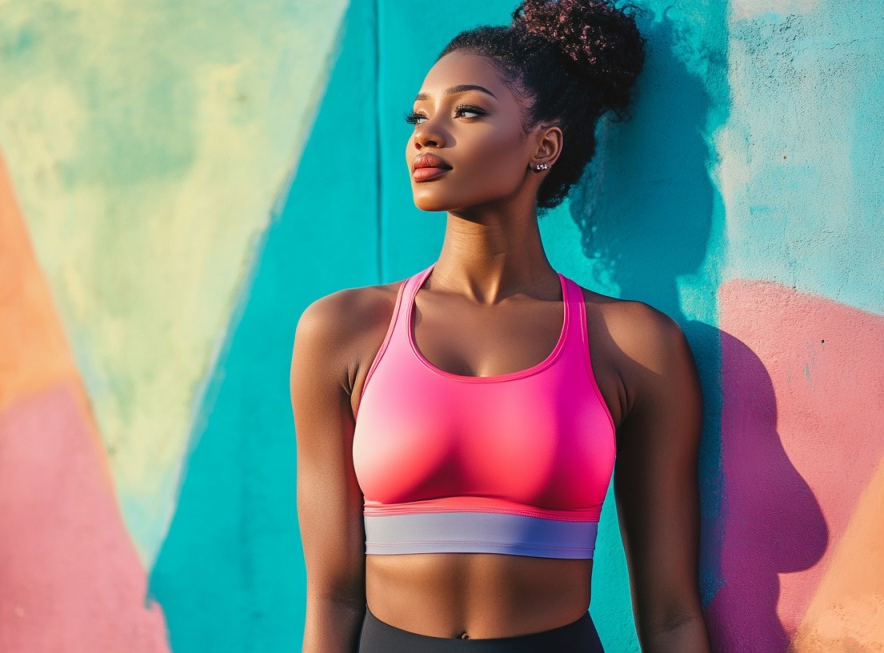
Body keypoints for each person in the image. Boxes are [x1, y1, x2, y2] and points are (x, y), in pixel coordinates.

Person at [291, 0, 712, 651]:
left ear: (543, 145)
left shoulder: (632, 345)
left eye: (466, 111)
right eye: (418, 116)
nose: (426, 134)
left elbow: (670, 614)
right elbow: (332, 594)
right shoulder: (343, 331)